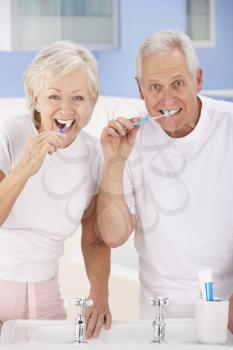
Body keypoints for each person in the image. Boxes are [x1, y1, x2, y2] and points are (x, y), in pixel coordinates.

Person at [97, 30, 233, 329]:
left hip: (227, 309)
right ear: (140, 89)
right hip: (159, 314)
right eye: (155, 87)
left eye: (178, 83)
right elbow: (113, 236)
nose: (166, 98)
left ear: (198, 79)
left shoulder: (229, 126)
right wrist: (115, 163)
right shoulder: (130, 141)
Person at [0, 40, 111, 337]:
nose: (66, 109)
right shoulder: (9, 135)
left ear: (93, 99)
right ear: (36, 99)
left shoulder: (93, 154)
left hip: (46, 294)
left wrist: (99, 294)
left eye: (77, 98)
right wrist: (25, 167)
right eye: (53, 96)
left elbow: (95, 238)